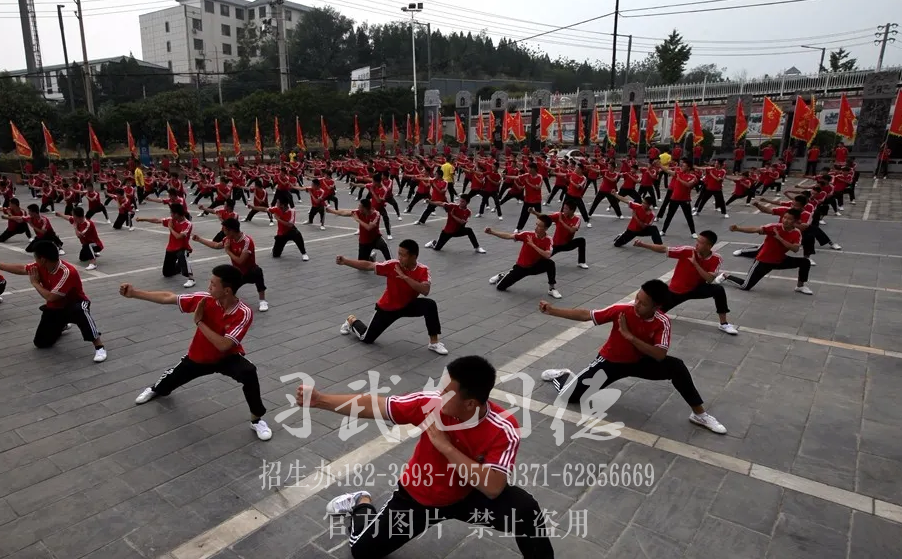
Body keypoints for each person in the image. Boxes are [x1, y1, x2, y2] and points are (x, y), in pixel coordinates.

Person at [306, 355, 553, 559]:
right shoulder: (431, 403)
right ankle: (361, 502)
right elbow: (375, 405)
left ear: (471, 404)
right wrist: (320, 400)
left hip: (467, 495)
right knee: (362, 552)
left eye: (446, 392)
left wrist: (446, 447)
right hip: (418, 498)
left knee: (526, 511)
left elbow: (493, 488)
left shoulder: (504, 427)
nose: (438, 393)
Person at [538, 279, 727, 434]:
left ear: (657, 306)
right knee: (568, 397)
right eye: (637, 298)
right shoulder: (623, 309)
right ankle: (563, 375)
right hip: (610, 362)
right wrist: (553, 311)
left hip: (641, 362)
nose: (637, 304)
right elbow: (588, 315)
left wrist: (630, 336)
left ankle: (699, 414)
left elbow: (660, 355)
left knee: (677, 367)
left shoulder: (662, 321)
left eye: (643, 303)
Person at [121, 265, 272, 441]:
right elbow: (168, 297)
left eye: (213, 284)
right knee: (167, 382)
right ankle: (155, 389)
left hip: (227, 358)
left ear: (227, 290)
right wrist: (135, 293)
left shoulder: (243, 313)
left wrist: (199, 322)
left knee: (249, 372)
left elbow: (224, 345)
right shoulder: (205, 299)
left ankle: (256, 420)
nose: (209, 287)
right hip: (198, 357)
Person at [335, 239, 448, 354]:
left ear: (414, 257)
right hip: (387, 308)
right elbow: (369, 265)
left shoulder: (423, 270)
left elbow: (425, 290)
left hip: (407, 305)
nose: (399, 257)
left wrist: (404, 277)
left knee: (430, 305)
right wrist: (345, 261)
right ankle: (351, 320)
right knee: (366, 339)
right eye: (399, 253)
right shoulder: (393, 265)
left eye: (403, 255)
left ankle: (434, 343)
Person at [0, 241, 107, 362]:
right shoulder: (41, 266)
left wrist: (35, 283)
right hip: (55, 307)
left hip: (74, 303)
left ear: (43, 259)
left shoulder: (67, 272)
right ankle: (61, 324)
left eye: (35, 257)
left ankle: (99, 346)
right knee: (41, 343)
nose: (34, 260)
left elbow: (51, 297)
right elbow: (22, 269)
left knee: (80, 310)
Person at [633, 231, 739, 334]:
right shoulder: (687, 251)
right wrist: (643, 244)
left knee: (718, 290)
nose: (696, 244)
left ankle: (724, 324)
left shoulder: (716, 259)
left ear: (709, 246)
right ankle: (635, 310)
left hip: (696, 288)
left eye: (701, 243)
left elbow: (710, 279)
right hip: (676, 291)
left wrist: (695, 264)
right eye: (697, 241)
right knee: (653, 315)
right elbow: (664, 249)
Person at [714, 209, 813, 294]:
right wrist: (738, 228)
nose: (785, 220)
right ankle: (725, 276)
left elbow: (795, 249)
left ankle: (800, 286)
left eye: (789, 219)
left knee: (805, 262)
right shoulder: (774, 227)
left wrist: (779, 238)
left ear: (796, 221)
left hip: (780, 260)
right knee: (745, 286)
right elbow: (755, 229)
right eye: (784, 217)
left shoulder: (796, 232)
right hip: (763, 261)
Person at [193, 218, 269, 312]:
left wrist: (228, 251)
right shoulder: (228, 239)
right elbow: (215, 246)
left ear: (231, 230)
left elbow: (241, 261)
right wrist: (199, 239)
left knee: (258, 273)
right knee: (228, 290)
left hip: (250, 270)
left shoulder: (247, 241)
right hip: (237, 272)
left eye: (224, 229)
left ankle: (262, 301)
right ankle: (227, 304)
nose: (223, 232)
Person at [484, 215, 562, 299]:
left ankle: (552, 288)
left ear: (546, 228)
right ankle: (501, 276)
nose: (536, 227)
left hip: (535, 266)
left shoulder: (548, 239)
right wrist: (492, 232)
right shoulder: (527, 234)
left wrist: (533, 245)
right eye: (536, 224)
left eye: (539, 226)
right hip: (521, 267)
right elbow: (509, 236)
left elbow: (548, 255)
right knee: (500, 287)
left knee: (550, 263)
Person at [135, 203, 197, 288]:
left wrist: (170, 228)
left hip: (182, 248)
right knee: (167, 273)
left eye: (172, 213)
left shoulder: (187, 224)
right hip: (171, 248)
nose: (170, 214)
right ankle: (179, 267)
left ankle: (191, 278)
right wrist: (143, 219)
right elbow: (157, 220)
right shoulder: (172, 220)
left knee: (182, 255)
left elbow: (178, 237)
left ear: (177, 214)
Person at [530, 200, 589, 269]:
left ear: (572, 211)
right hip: (556, 244)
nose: (564, 210)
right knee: (542, 257)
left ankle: (581, 262)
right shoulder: (559, 215)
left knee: (581, 240)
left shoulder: (577, 219)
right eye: (563, 208)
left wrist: (561, 222)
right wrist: (534, 212)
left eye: (566, 209)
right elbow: (545, 217)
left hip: (567, 244)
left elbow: (572, 231)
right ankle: (529, 263)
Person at [327, 199, 391, 262]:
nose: (358, 207)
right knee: (361, 264)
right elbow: (344, 212)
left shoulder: (376, 214)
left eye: (359, 206)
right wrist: (331, 211)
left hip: (376, 238)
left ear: (365, 208)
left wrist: (358, 220)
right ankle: (371, 257)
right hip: (364, 240)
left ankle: (391, 263)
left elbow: (369, 228)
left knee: (385, 250)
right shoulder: (359, 212)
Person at [658, 159, 698, 238]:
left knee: (688, 217)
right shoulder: (678, 173)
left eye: (684, 166)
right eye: (682, 165)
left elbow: (688, 185)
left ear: (689, 168)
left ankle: (693, 232)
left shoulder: (693, 177)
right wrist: (660, 165)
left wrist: (680, 180)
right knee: (669, 215)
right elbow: (667, 171)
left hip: (685, 200)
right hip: (674, 199)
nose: (682, 167)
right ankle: (663, 230)